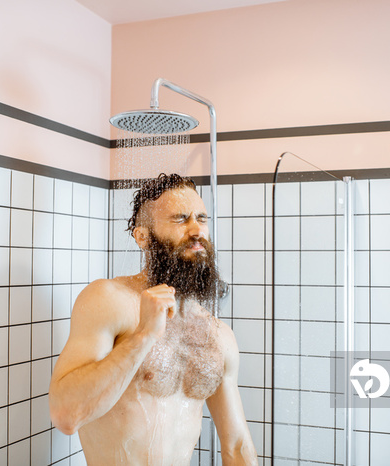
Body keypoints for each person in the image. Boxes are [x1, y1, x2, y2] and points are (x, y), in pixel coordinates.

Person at [49, 173, 258, 465]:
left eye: (202, 218)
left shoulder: (219, 334)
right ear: (143, 236)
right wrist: (144, 335)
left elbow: (236, 445)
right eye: (180, 219)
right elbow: (66, 415)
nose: (196, 229)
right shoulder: (109, 300)